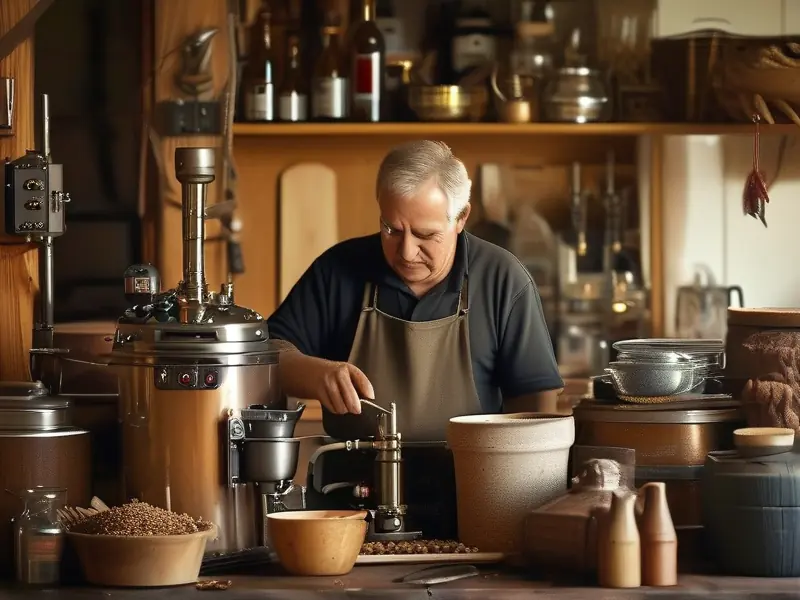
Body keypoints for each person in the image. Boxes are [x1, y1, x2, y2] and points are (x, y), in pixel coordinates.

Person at [268, 140, 563, 442]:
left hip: (471, 482)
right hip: (352, 482)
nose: (407, 252)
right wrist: (315, 374)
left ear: (460, 218)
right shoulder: (338, 270)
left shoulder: (503, 279)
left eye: (425, 234)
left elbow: (535, 409)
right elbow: (265, 356)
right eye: (391, 230)